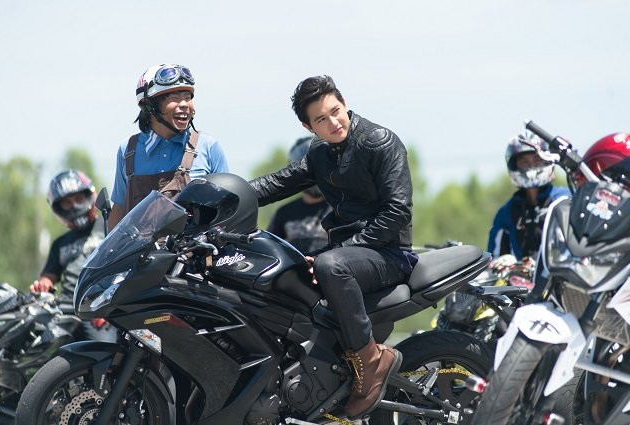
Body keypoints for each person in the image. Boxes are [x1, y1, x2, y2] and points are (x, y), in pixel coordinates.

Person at [250, 75, 416, 418]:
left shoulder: (379, 142)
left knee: (329, 265)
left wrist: (344, 249)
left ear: (345, 103)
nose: (334, 122)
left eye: (336, 111)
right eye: (321, 119)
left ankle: (372, 360)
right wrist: (225, 194)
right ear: (308, 127)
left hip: (389, 253)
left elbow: (397, 211)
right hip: (349, 255)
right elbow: (279, 183)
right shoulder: (320, 153)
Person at [108, 64, 229, 229]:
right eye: (174, 97)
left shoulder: (209, 147)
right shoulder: (128, 150)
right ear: (148, 105)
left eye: (188, 97)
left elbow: (229, 209)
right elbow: (119, 210)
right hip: (143, 247)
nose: (184, 104)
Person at [30, 170, 116, 342]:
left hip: (100, 305)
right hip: (65, 309)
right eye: (67, 203)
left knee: (105, 349)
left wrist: (111, 308)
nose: (75, 205)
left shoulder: (111, 226)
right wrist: (42, 286)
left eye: (78, 198)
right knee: (40, 346)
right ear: (58, 207)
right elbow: (48, 278)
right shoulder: (60, 244)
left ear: (89, 196)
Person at [488, 130, 571, 260]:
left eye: (537, 160)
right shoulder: (506, 212)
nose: (531, 167)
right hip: (521, 272)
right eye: (524, 162)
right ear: (514, 165)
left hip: (562, 271)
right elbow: (494, 257)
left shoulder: (565, 200)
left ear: (547, 161)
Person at [267, 137, 331, 253]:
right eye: (308, 171)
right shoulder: (284, 213)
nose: (314, 176)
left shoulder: (341, 208)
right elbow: (270, 249)